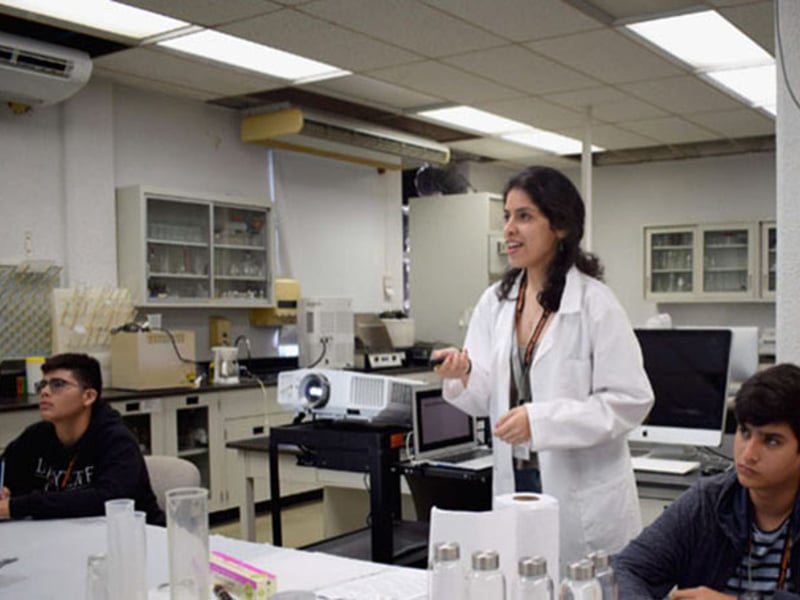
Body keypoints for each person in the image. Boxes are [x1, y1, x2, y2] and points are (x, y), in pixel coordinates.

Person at [432, 165, 653, 564]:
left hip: (580, 489)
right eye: (507, 217)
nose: (509, 230)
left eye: (525, 216)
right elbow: (486, 400)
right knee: (524, 579)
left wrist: (542, 421)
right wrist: (463, 375)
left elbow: (630, 400)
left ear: (562, 227)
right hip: (515, 477)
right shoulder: (495, 303)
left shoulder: (595, 304)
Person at [614, 363, 800, 599]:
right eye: (744, 432)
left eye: (771, 441)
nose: (748, 454)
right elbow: (628, 568)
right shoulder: (709, 502)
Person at [0, 353, 165, 525]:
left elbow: (107, 500)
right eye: (42, 384)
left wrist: (17, 506)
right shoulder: (36, 436)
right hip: (62, 535)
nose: (44, 392)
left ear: (88, 396)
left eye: (58, 384)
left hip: (135, 537)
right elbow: (6, 471)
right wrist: (6, 490)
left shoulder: (117, 440)